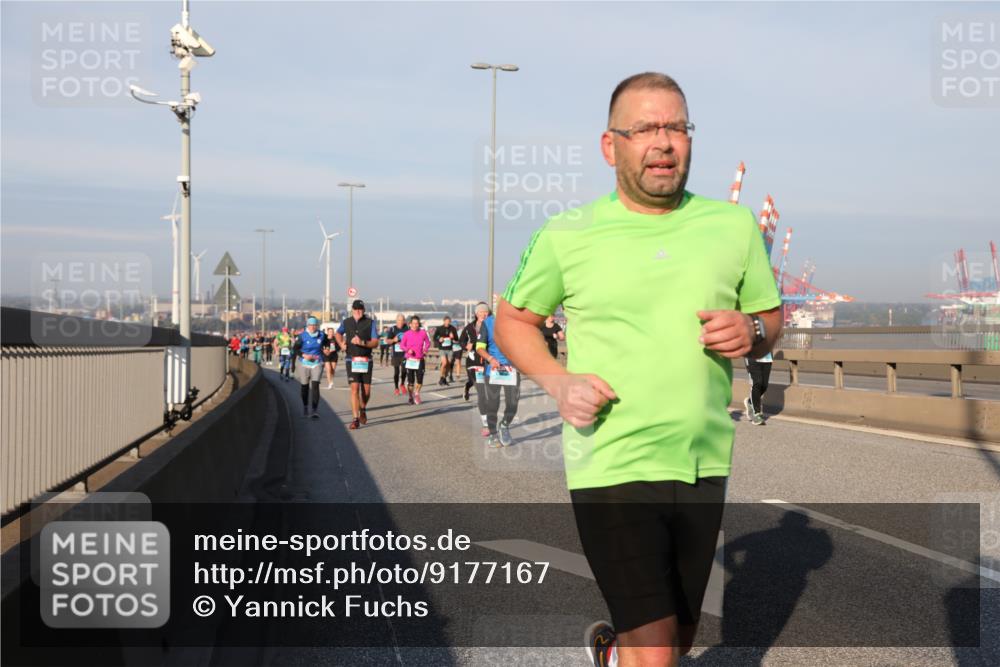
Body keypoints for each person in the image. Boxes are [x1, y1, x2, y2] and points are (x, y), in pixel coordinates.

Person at [493, 72, 783, 667]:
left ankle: (612, 654)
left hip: (703, 458)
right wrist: (558, 380)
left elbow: (770, 317)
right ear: (611, 145)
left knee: (675, 640)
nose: (664, 141)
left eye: (677, 126)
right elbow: (513, 321)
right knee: (656, 655)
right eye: (646, 127)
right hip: (612, 461)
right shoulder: (567, 234)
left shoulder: (733, 227)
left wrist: (751, 331)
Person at [476, 308, 520, 448]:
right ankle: (493, 434)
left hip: (511, 369)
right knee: (493, 404)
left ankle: (504, 425)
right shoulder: (488, 323)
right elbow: (480, 347)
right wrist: (490, 358)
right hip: (493, 369)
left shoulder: (516, 322)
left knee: (513, 403)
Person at [335, 299, 378, 430]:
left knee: (366, 391)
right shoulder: (346, 322)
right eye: (355, 309)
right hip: (351, 359)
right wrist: (341, 343)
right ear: (352, 310)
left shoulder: (370, 323)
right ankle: (355, 419)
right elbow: (338, 333)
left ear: (364, 310)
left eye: (360, 309)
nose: (358, 311)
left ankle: (363, 408)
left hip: (366, 360)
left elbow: (375, 342)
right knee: (354, 389)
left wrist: (362, 343)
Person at [462, 302, 492, 437]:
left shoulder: (492, 326)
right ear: (476, 314)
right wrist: (466, 345)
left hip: (488, 363)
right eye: (481, 312)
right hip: (473, 362)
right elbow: (461, 341)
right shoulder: (469, 328)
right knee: (481, 392)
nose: (483, 314)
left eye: (485, 312)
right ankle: (486, 422)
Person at [294, 317, 328, 419]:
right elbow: (295, 349)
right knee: (304, 386)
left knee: (315, 385)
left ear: (317, 326)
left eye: (314, 325)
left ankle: (314, 410)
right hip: (304, 362)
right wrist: (304, 355)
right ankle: (305, 406)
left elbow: (327, 342)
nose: (313, 327)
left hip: (317, 362)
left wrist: (327, 349)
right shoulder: (302, 336)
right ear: (307, 326)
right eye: (311, 325)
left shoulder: (322, 335)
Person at [399, 315, 431, 405]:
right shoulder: (406, 334)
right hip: (410, 360)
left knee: (420, 380)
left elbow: (428, 343)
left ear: (418, 324)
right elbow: (402, 345)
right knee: (411, 381)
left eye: (417, 323)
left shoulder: (423, 333)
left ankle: (416, 393)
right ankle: (410, 397)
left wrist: (425, 350)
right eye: (413, 323)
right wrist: (407, 350)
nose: (415, 325)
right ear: (410, 324)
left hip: (420, 359)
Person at [743, 352, 773, 425]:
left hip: (767, 359)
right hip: (752, 358)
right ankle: (756, 414)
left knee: (764, 386)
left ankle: (750, 401)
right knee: (757, 383)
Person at [386, 314, 409, 396]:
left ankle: (402, 384)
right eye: (399, 320)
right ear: (396, 321)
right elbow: (387, 341)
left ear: (404, 321)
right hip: (395, 354)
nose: (400, 322)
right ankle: (396, 388)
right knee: (396, 372)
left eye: (402, 320)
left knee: (404, 371)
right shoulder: (392, 329)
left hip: (405, 353)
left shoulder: (407, 328)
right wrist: (393, 340)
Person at [434, 316, 458, 386]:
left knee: (448, 364)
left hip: (450, 348)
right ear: (444, 321)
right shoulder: (439, 328)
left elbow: (456, 338)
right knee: (444, 363)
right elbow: (435, 337)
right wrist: (439, 339)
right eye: (446, 321)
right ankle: (441, 377)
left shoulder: (452, 328)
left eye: (449, 321)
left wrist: (453, 336)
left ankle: (444, 378)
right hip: (442, 348)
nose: (447, 323)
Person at [323, 326, 339, 390]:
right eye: (330, 332)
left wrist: (334, 349)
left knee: (332, 370)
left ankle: (331, 381)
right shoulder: (324, 339)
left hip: (334, 355)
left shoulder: (335, 339)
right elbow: (321, 346)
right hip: (326, 355)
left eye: (332, 332)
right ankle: (330, 383)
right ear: (328, 332)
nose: (331, 333)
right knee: (328, 369)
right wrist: (324, 350)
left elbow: (338, 347)